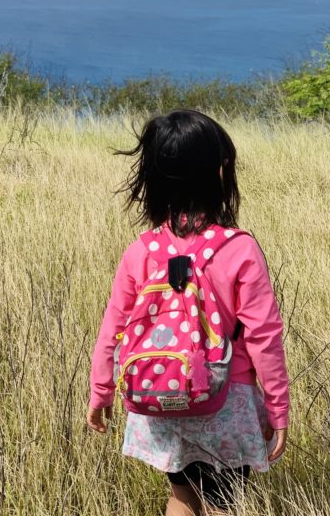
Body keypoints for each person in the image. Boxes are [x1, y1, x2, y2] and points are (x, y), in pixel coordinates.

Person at [87, 109, 290, 515]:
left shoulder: (141, 250)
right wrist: (278, 407)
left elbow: (115, 326)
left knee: (182, 496)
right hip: (226, 401)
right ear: (220, 173)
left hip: (157, 397)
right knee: (222, 503)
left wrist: (101, 391)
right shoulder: (239, 249)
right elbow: (263, 335)